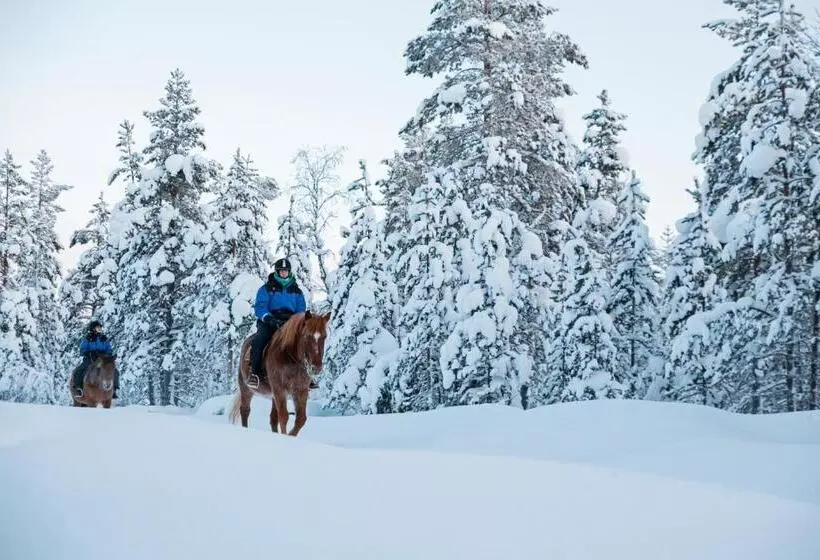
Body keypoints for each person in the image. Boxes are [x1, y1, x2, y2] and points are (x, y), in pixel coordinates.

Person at [249, 257, 311, 388]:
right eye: (281, 271)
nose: (284, 273)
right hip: (269, 320)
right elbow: (260, 307)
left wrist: (296, 322)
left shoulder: (296, 291)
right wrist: (268, 318)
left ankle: (306, 373)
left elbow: (301, 309)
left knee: (306, 340)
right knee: (260, 339)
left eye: (286, 271)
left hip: (291, 322)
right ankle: (254, 372)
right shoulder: (266, 288)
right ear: (277, 272)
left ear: (289, 272)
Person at [72, 320, 119, 398]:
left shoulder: (104, 338)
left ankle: (113, 390)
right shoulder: (87, 338)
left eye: (100, 327)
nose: (100, 329)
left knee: (115, 371)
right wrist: (89, 353)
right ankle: (79, 389)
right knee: (79, 370)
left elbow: (109, 349)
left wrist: (107, 354)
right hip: (90, 359)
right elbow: (82, 350)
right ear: (93, 328)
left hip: (103, 359)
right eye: (98, 327)